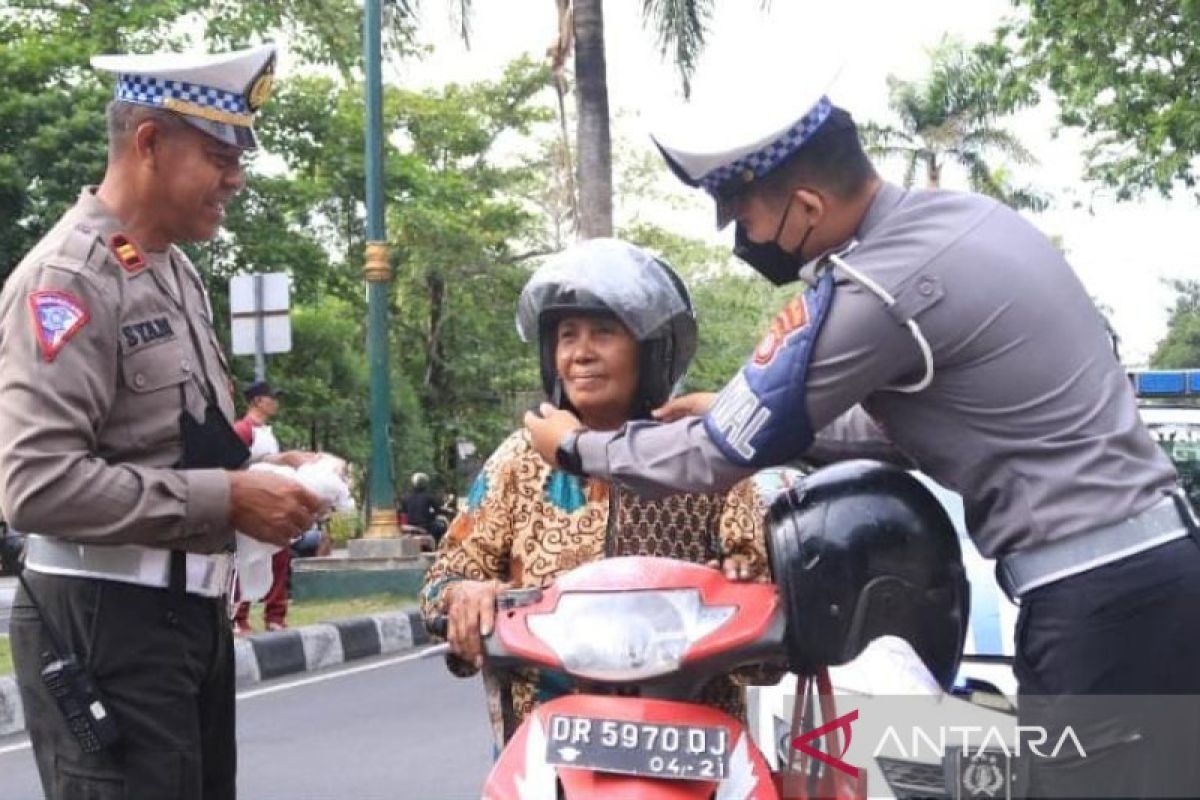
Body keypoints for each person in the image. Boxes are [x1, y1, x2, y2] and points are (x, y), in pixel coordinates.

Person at [525, 83, 1200, 796]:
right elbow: (902, 430)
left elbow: (720, 455)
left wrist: (578, 448)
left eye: (743, 214)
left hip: (1098, 604)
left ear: (807, 206)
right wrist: (745, 417)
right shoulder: (967, 222)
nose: (739, 235)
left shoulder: (879, 285)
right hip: (1148, 574)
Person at [0, 44, 326, 800]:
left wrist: (268, 478)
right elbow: (35, 486)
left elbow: (174, 444)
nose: (236, 178)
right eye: (219, 155)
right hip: (108, 623)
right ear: (148, 143)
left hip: (185, 618)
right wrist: (228, 498)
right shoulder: (68, 280)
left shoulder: (170, 270)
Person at [421, 239, 771, 747]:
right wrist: (464, 595)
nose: (581, 353)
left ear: (651, 348)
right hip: (549, 749)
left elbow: (761, 596)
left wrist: (737, 586)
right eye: (567, 336)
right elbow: (443, 578)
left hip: (685, 748)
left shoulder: (700, 457)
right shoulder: (519, 461)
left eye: (604, 333)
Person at [232, 379, 299, 633]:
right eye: (272, 397)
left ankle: (275, 616)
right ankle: (238, 616)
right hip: (251, 502)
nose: (276, 402)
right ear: (258, 401)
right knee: (247, 560)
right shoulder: (243, 430)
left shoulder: (266, 433)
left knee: (279, 557)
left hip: (272, 502)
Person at [401, 472, 444, 541]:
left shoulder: (406, 497)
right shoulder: (429, 497)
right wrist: (431, 516)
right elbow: (437, 511)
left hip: (410, 526)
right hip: (425, 526)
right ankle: (437, 547)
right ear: (425, 484)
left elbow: (404, 513)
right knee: (441, 526)